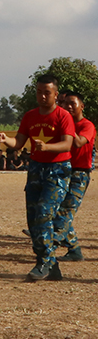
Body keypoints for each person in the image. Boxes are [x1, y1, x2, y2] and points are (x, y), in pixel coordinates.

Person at [0, 74, 74, 280]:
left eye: (46, 93)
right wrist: (6, 140)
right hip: (36, 169)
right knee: (33, 219)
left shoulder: (63, 116)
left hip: (57, 170)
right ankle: (51, 264)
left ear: (56, 95)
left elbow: (67, 144)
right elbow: (19, 142)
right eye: (39, 92)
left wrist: (46, 146)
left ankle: (44, 262)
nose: (42, 96)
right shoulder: (30, 116)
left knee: (43, 213)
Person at [52, 91, 95, 262]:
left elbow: (78, 142)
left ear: (81, 106)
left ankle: (51, 241)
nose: (68, 107)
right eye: (65, 104)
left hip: (80, 174)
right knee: (59, 208)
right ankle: (74, 250)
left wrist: (68, 125)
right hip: (63, 170)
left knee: (66, 211)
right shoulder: (62, 124)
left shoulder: (88, 126)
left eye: (73, 104)